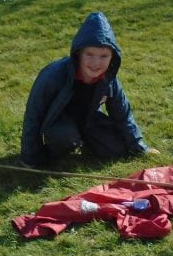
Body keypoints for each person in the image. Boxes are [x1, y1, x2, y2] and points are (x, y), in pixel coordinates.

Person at [20, 11, 158, 167]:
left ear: (113, 57)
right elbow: (33, 115)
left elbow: (122, 113)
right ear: (78, 54)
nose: (95, 63)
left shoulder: (109, 79)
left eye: (103, 56)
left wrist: (140, 148)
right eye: (89, 54)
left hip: (88, 119)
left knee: (117, 149)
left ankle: (85, 141)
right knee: (65, 137)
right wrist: (30, 158)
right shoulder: (53, 76)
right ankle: (56, 148)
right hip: (58, 121)